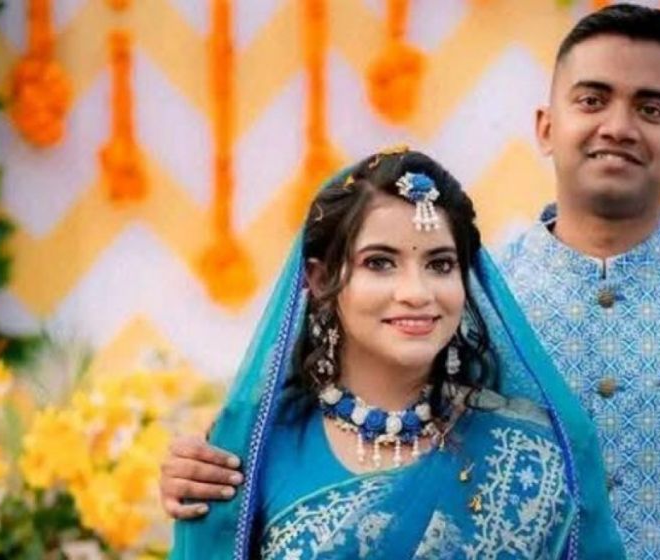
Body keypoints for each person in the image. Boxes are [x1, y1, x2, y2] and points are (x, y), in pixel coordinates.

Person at [162, 5, 660, 558]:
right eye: (593, 99)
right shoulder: (460, 297)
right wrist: (209, 473)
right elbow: (342, 421)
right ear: (546, 126)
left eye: (651, 108)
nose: (618, 126)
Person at [168, 149, 623, 559]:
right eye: (380, 263)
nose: (416, 292)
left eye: (440, 264)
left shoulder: (537, 448)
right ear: (321, 279)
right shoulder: (252, 447)